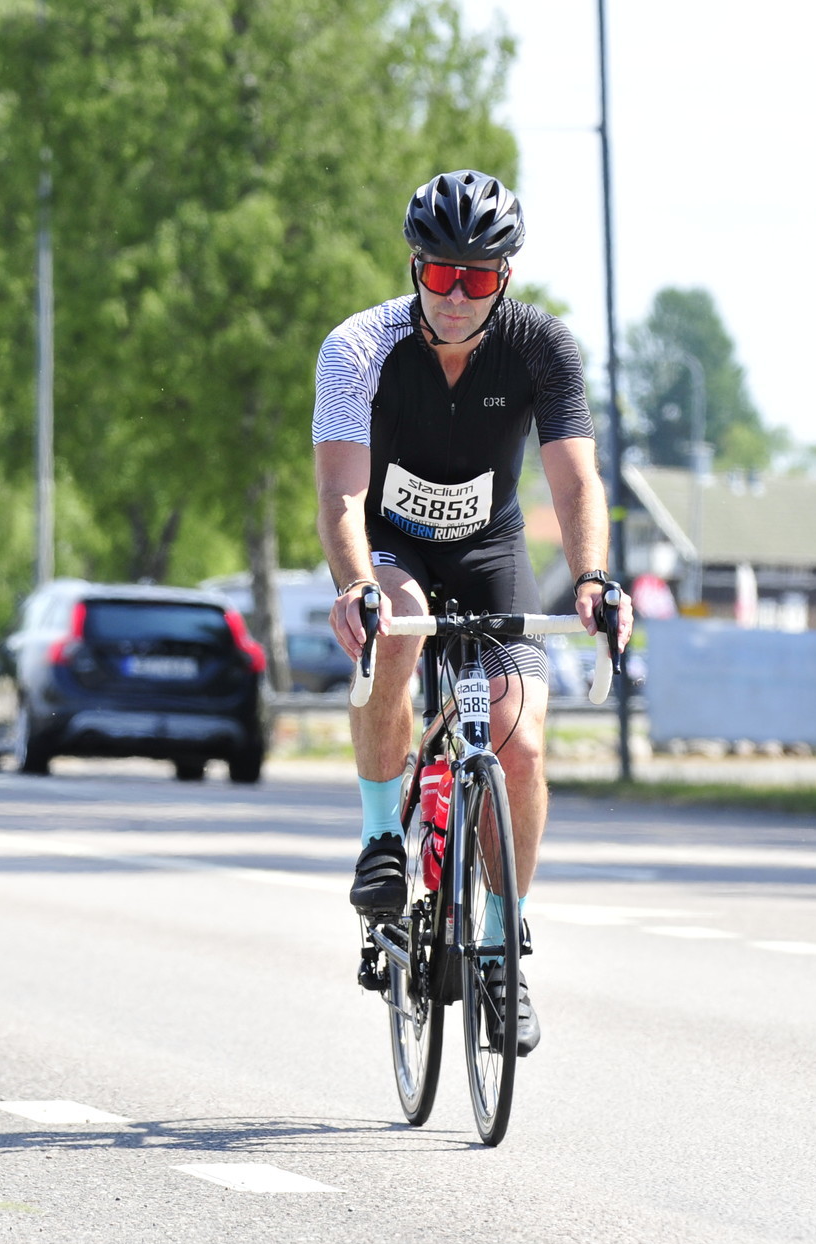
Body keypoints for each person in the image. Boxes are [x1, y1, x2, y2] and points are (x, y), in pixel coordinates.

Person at [312, 169, 633, 1055]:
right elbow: (340, 493)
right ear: (415, 266)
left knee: (521, 747)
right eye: (441, 273)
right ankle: (382, 835)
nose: (456, 295)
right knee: (397, 631)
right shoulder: (357, 347)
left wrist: (593, 577)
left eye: (478, 277)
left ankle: (501, 944)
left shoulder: (543, 347)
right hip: (391, 547)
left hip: (491, 549)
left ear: (505, 278)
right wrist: (355, 584)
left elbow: (576, 480)